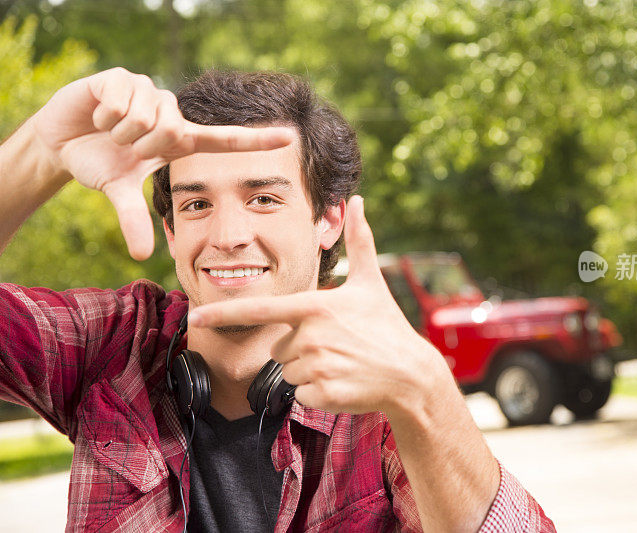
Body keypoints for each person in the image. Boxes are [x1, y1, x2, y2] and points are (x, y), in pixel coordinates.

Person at [0, 67, 556, 532]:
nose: (227, 235)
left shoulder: (383, 402)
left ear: (329, 219)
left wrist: (427, 392)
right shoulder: (111, 347)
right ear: (169, 231)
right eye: (196, 205)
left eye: (263, 198)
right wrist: (38, 153)